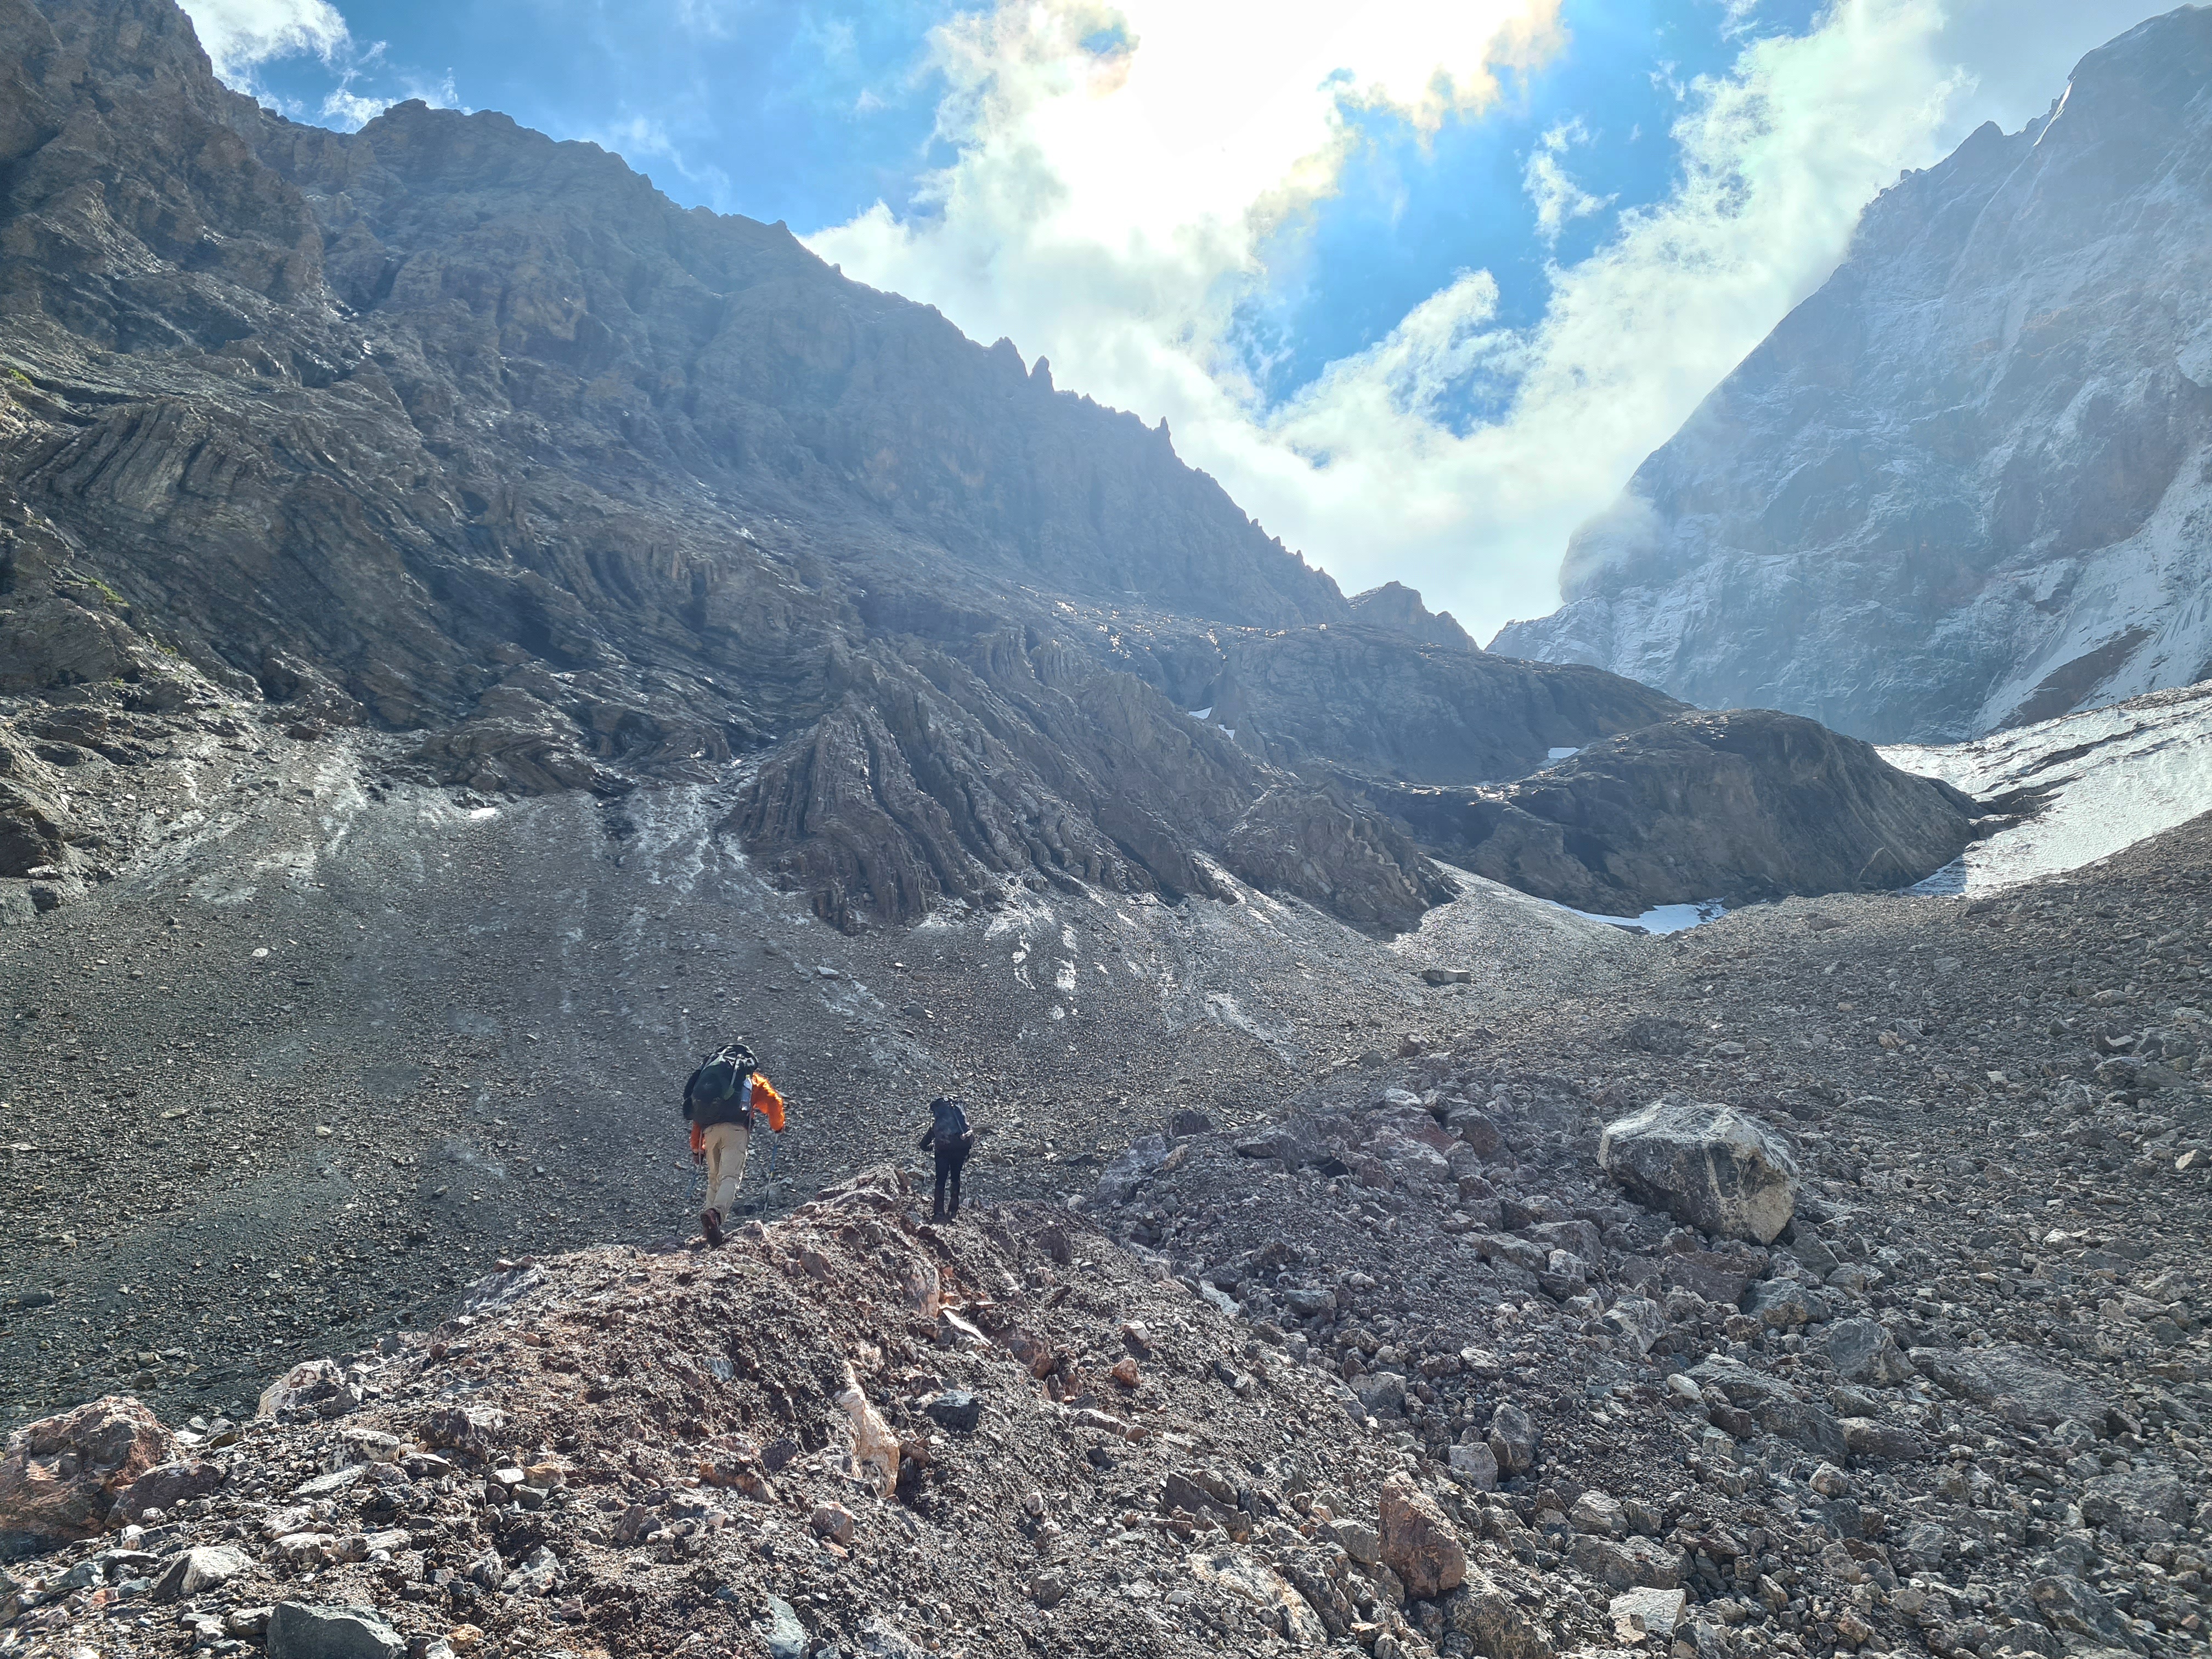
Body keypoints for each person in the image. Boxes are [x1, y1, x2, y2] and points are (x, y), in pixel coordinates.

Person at [683, 1042, 785, 1247]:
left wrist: (696, 1148)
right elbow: (773, 1101)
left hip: (709, 1132)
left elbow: (698, 1116)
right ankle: (715, 1214)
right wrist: (778, 1126)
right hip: (736, 1131)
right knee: (730, 1177)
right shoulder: (750, 1080)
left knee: (714, 1179)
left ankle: (710, 1226)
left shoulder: (712, 1084)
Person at [918, 1096, 976, 1223]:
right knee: (956, 1178)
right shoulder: (960, 1119)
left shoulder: (938, 1123)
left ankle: (938, 1212)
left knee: (941, 1180)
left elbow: (923, 1144)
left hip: (942, 1153)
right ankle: (953, 1211)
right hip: (960, 1151)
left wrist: (928, 1148)